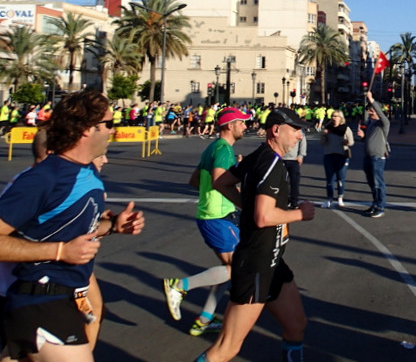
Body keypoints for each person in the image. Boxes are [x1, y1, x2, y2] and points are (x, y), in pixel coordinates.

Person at [0, 91, 145, 362]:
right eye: (110, 124)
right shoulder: (45, 178)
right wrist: (60, 252)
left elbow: (72, 229)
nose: (115, 131)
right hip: (41, 298)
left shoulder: (88, 173)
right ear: (87, 129)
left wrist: (113, 225)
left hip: (65, 299)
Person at [194, 107, 315, 362]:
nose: (299, 136)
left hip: (273, 261)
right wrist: (300, 214)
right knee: (227, 348)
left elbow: (222, 182)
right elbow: (264, 217)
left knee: (296, 326)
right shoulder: (270, 163)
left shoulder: (260, 157)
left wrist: (247, 206)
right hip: (256, 263)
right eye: (295, 130)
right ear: (276, 130)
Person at [163, 107, 249, 336]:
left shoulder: (212, 148)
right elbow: (220, 181)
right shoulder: (223, 149)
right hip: (218, 217)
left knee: (228, 270)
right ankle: (180, 286)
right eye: (241, 122)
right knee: (238, 269)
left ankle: (204, 319)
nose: (245, 126)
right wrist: (241, 200)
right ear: (229, 126)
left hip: (212, 214)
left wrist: (215, 188)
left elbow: (194, 180)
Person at [357, 91, 390, 218]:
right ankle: (375, 203)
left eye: (372, 110)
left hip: (377, 157)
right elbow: (368, 139)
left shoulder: (383, 124)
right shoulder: (371, 124)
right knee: (372, 183)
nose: (370, 112)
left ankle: (380, 207)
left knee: (378, 183)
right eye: (370, 110)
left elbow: (382, 115)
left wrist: (372, 100)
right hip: (368, 156)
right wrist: (363, 137)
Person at [321, 110, 354, 208]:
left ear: (340, 118)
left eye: (336, 116)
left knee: (341, 178)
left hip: (341, 155)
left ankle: (340, 197)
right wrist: (323, 135)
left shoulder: (345, 128)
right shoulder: (328, 128)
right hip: (329, 155)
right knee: (329, 179)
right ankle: (329, 199)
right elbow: (322, 143)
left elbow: (351, 142)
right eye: (332, 116)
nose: (333, 118)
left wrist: (346, 142)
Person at [281, 132, 306, 210]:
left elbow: (303, 143)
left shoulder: (300, 132)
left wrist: (301, 155)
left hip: (294, 160)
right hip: (282, 159)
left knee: (295, 181)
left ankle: (294, 201)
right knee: (282, 181)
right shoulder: (283, 130)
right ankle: (284, 200)